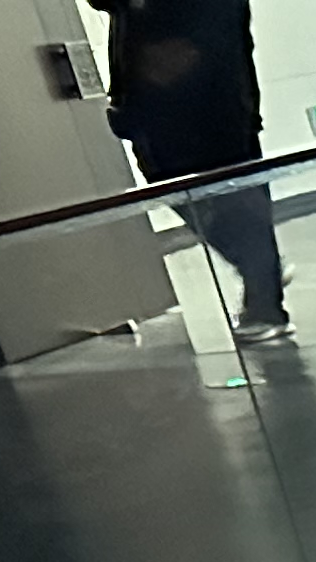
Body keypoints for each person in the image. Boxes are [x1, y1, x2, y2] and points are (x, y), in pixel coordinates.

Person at [88, 0, 287, 335]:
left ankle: (265, 297)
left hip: (209, 107)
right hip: (159, 109)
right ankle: (260, 275)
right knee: (186, 188)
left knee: (233, 197)